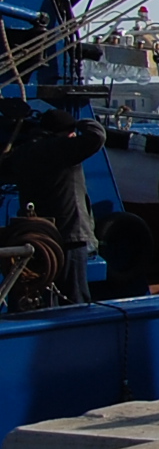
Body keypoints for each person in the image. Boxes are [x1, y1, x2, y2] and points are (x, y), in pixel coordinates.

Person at [8, 106, 105, 302]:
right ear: (65, 133)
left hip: (40, 238)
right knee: (74, 298)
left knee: (43, 296)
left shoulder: (23, 153)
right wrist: (79, 122)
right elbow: (98, 136)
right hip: (70, 236)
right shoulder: (63, 148)